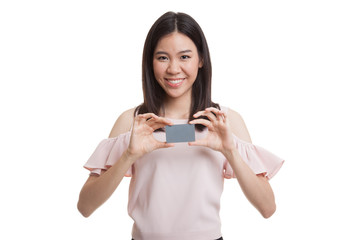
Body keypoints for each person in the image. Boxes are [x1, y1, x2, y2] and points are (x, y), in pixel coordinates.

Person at [77, 11, 284, 240]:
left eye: (184, 57)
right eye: (163, 57)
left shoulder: (225, 121)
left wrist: (230, 151)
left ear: (201, 59)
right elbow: (85, 207)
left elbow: (268, 208)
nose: (174, 69)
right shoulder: (133, 121)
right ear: (150, 61)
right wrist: (128, 155)